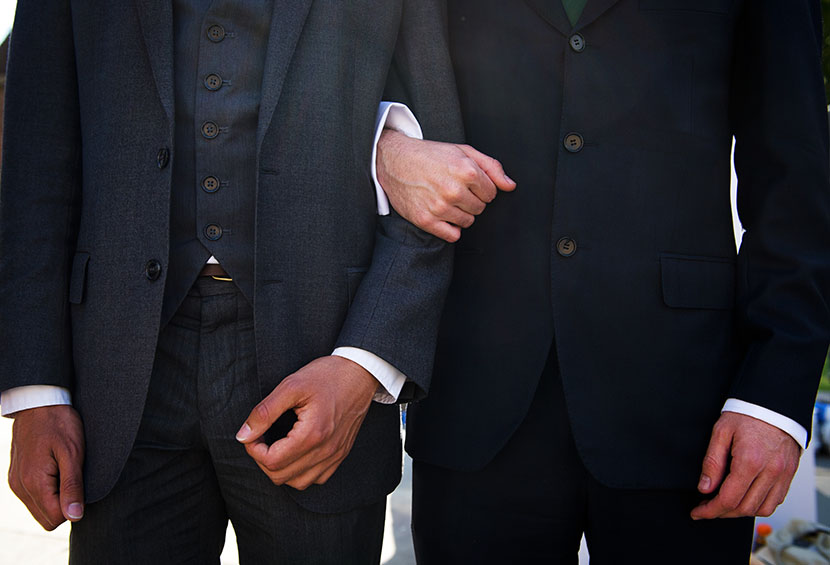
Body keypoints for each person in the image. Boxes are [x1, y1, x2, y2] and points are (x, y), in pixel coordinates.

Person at [0, 1, 484, 562]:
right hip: (117, 370)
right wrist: (36, 391)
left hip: (324, 352)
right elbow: (35, 160)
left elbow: (439, 167)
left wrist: (366, 363)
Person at [376, 0, 830, 562]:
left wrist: (774, 397)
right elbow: (367, 68)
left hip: (684, 403)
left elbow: (796, 180)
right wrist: (384, 147)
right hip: (475, 393)